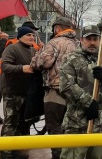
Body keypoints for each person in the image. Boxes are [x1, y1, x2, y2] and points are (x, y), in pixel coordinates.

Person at [59, 25, 102, 159]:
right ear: (81, 40)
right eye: (88, 39)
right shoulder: (71, 59)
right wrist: (88, 102)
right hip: (78, 121)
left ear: (100, 40)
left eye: (95, 39)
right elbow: (66, 85)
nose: (92, 42)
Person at [30, 16, 78, 159]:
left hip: (56, 92)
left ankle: (58, 156)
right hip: (76, 93)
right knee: (70, 128)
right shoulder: (79, 43)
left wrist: (37, 56)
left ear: (57, 28)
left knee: (55, 126)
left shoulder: (54, 42)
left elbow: (42, 63)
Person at [0, 27, 37, 159]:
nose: (32, 37)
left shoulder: (33, 50)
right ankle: (5, 153)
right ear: (20, 36)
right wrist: (22, 68)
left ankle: (20, 150)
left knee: (25, 122)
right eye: (28, 35)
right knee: (10, 122)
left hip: (27, 92)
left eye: (33, 35)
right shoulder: (12, 48)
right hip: (12, 91)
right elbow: (4, 66)